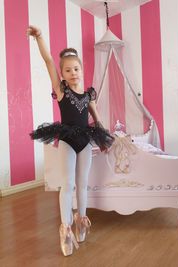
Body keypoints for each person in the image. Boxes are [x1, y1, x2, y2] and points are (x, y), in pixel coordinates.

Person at [26, 25, 114, 257]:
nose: (73, 72)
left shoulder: (88, 96)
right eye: (67, 70)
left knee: (82, 184)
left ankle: (81, 220)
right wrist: (40, 37)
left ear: (81, 70)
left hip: (85, 141)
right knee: (68, 185)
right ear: (62, 75)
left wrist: (104, 139)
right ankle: (65, 228)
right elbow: (47, 62)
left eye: (76, 68)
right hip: (67, 140)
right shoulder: (62, 91)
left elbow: (98, 121)